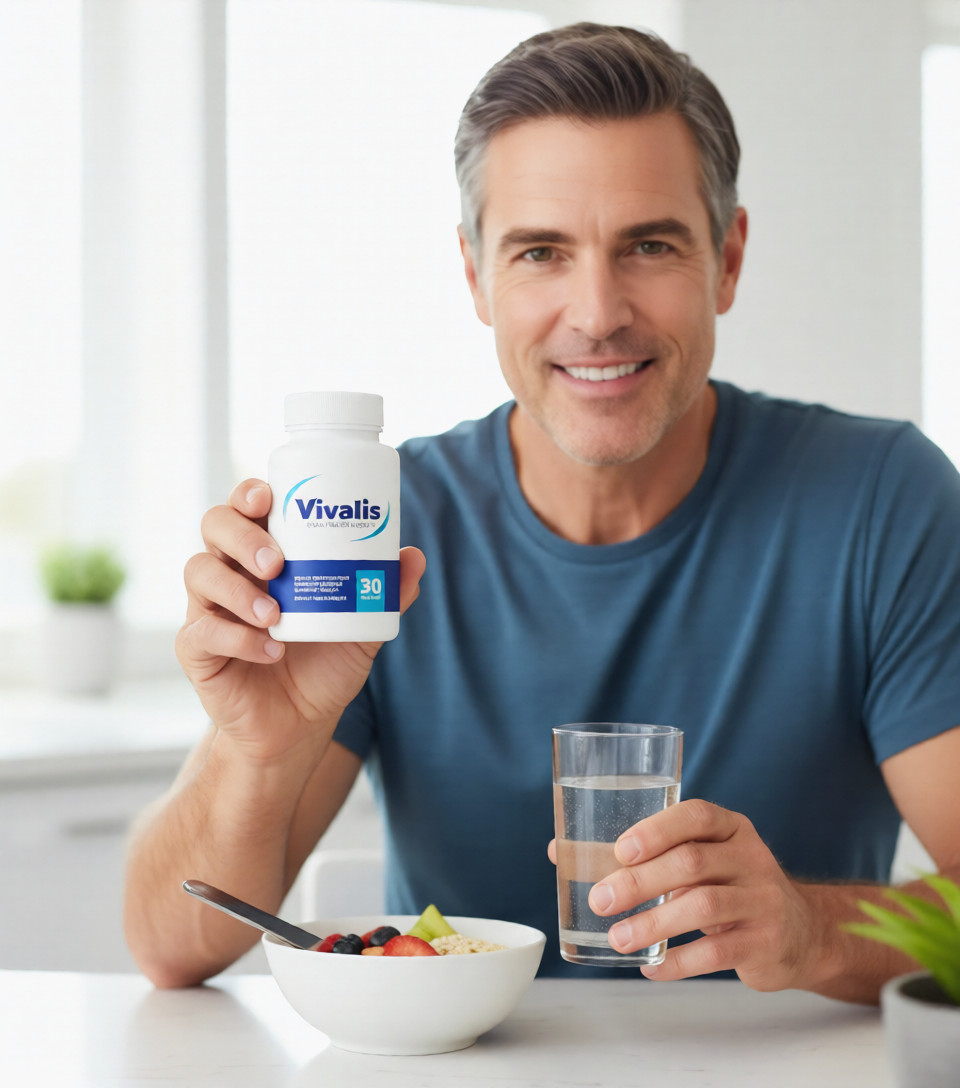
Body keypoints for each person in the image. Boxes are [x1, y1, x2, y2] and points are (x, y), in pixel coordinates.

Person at [124, 23, 960, 1000]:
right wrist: (260, 749)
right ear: (476, 274)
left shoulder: (882, 501)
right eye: (541, 252)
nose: (597, 309)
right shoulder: (371, 529)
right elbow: (168, 944)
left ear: (727, 260)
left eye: (648, 244)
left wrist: (814, 928)